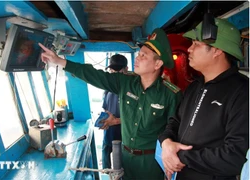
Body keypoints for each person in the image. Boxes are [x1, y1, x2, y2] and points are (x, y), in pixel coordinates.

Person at [39, 28, 182, 180]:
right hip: (126, 158)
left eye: (143, 56)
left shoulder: (171, 94)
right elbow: (94, 75)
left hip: (151, 162)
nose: (137, 58)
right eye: (138, 54)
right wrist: (60, 61)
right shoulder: (125, 82)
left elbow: (175, 130)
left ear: (158, 63)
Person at [159, 18, 249, 180]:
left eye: (196, 44)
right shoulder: (194, 87)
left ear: (217, 51)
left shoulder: (242, 92)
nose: (189, 49)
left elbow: (235, 156)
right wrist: (166, 142)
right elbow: (175, 122)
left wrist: (179, 156)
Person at [100, 54, 128, 169]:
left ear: (126, 69)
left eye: (118, 70)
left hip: (125, 134)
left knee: (123, 163)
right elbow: (106, 108)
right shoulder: (108, 88)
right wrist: (104, 120)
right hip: (109, 131)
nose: (115, 73)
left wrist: (116, 121)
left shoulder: (132, 87)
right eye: (112, 70)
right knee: (106, 152)